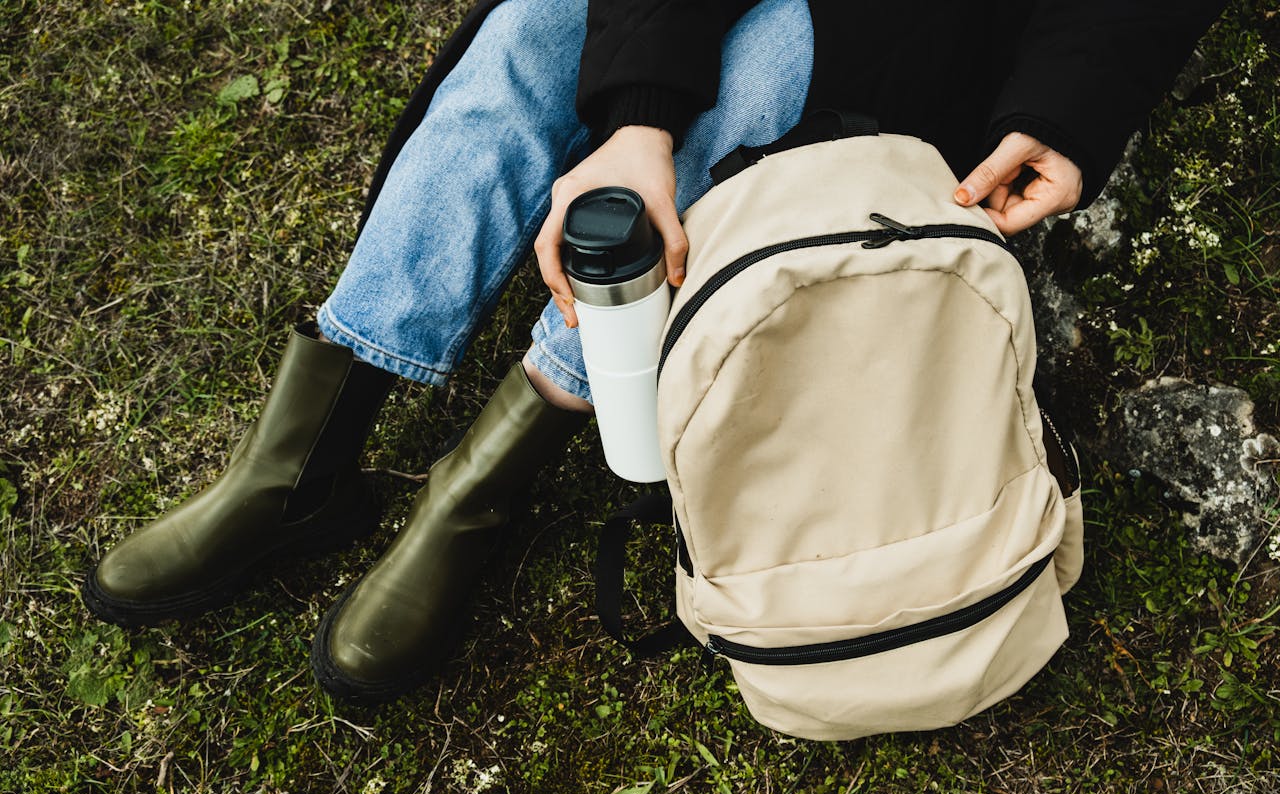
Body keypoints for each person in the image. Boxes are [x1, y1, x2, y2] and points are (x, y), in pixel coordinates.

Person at [81, 0, 1226, 703]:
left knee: (759, 85)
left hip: (938, 25)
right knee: (519, 50)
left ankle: (479, 487)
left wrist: (1071, 107)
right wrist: (633, 114)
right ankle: (297, 461)